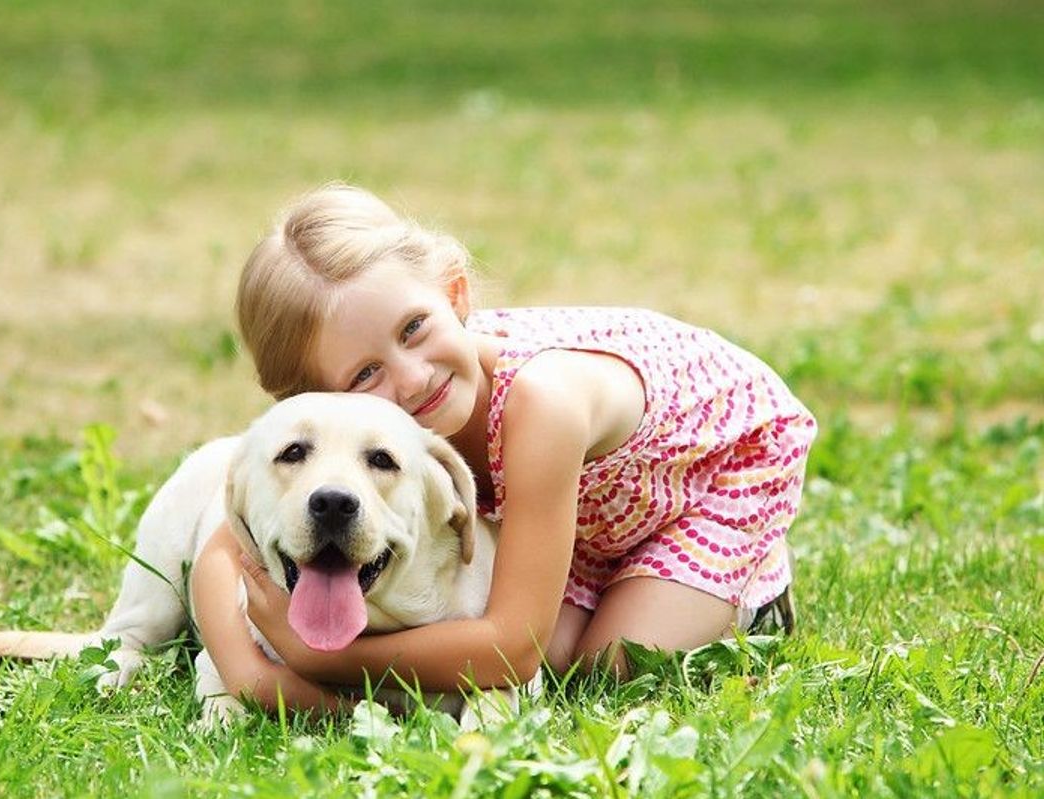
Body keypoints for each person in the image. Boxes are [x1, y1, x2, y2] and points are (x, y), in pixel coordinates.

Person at [191, 184, 816, 712]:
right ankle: (614, 577)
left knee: (604, 666)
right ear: (319, 401)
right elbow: (223, 549)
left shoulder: (545, 403)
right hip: (580, 507)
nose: (412, 378)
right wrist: (245, 675)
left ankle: (755, 587)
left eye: (414, 329)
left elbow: (511, 651)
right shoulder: (353, 440)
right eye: (363, 375)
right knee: (555, 649)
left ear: (456, 296)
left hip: (711, 468)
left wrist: (315, 660)